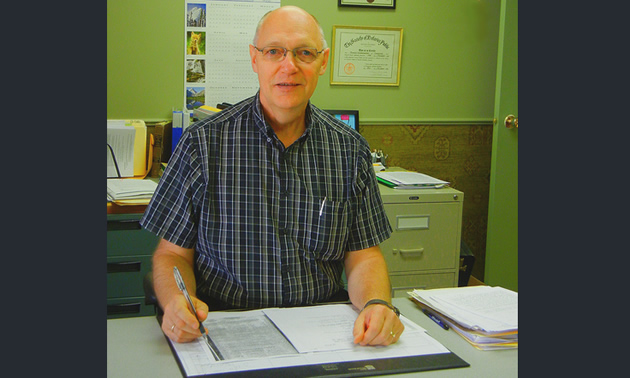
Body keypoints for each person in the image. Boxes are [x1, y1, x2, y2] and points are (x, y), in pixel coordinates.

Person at [140, 5, 404, 347]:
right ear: (255, 59)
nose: (289, 66)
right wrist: (176, 302)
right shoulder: (202, 144)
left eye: (304, 53)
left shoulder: (349, 150)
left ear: (322, 62)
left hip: (321, 327)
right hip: (224, 323)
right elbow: (171, 255)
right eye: (274, 51)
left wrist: (376, 304)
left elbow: (364, 256)